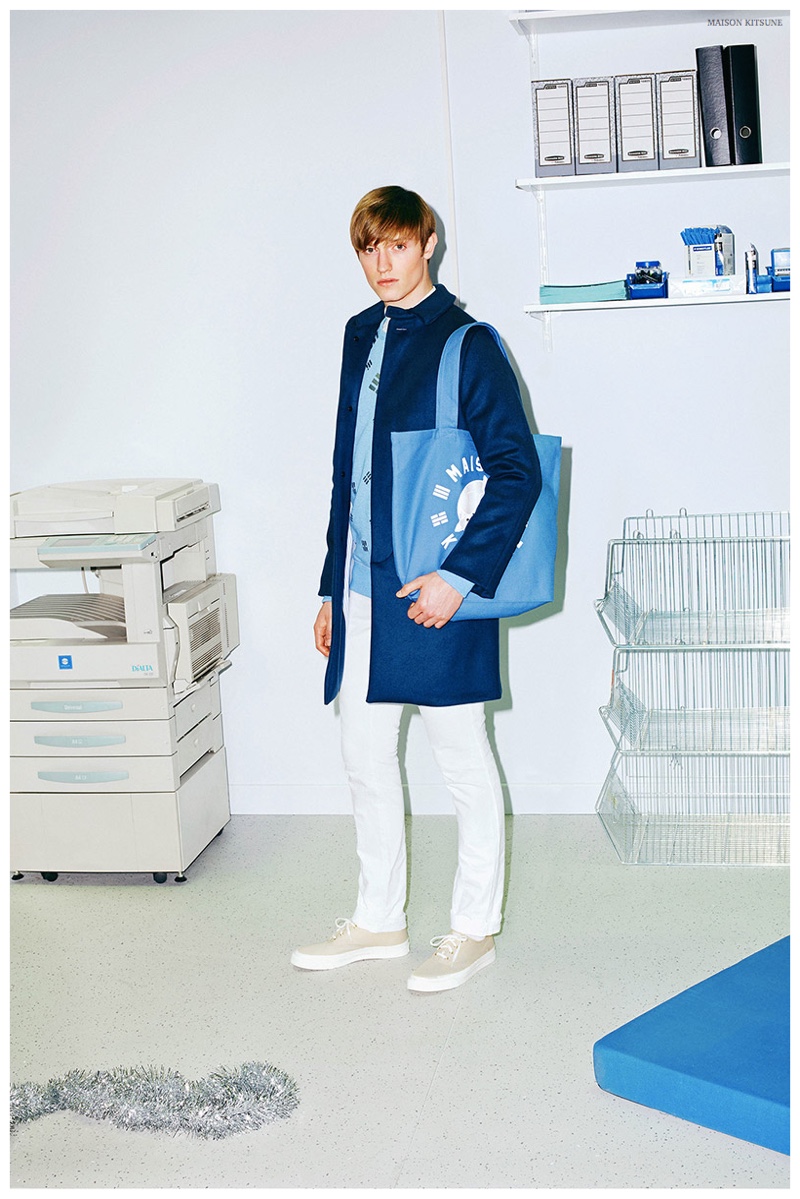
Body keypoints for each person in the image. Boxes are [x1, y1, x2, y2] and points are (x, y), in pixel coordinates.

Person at [291, 185, 542, 993]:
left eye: (397, 246)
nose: (383, 264)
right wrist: (330, 587)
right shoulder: (359, 334)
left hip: (437, 590)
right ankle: (379, 917)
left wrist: (459, 579)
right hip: (363, 588)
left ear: (428, 243)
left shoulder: (470, 343)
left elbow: (517, 471)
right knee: (363, 757)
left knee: (461, 758)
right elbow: (346, 473)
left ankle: (474, 928)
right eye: (370, 249)